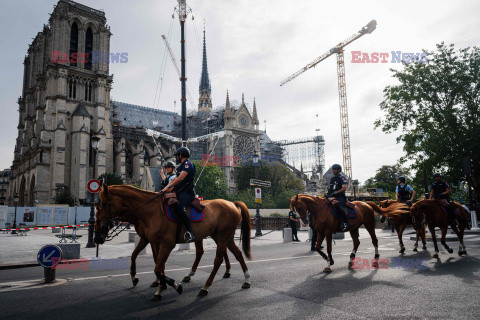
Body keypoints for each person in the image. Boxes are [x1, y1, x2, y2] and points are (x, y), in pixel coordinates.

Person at [161, 147, 196, 243]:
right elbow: (174, 179)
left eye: (177, 155)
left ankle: (190, 231)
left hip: (188, 192)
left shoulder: (188, 164)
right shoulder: (181, 167)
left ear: (181, 155)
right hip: (180, 192)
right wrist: (166, 187)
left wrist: (167, 187)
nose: (176, 157)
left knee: (179, 207)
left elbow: (180, 178)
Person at [326, 164, 349, 231]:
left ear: (338, 170)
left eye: (334, 169)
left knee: (340, 207)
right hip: (332, 196)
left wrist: (336, 192)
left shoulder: (342, 178)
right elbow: (330, 188)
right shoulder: (332, 179)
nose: (333, 171)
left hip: (340, 197)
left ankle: (345, 223)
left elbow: (344, 188)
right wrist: (327, 194)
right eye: (333, 169)